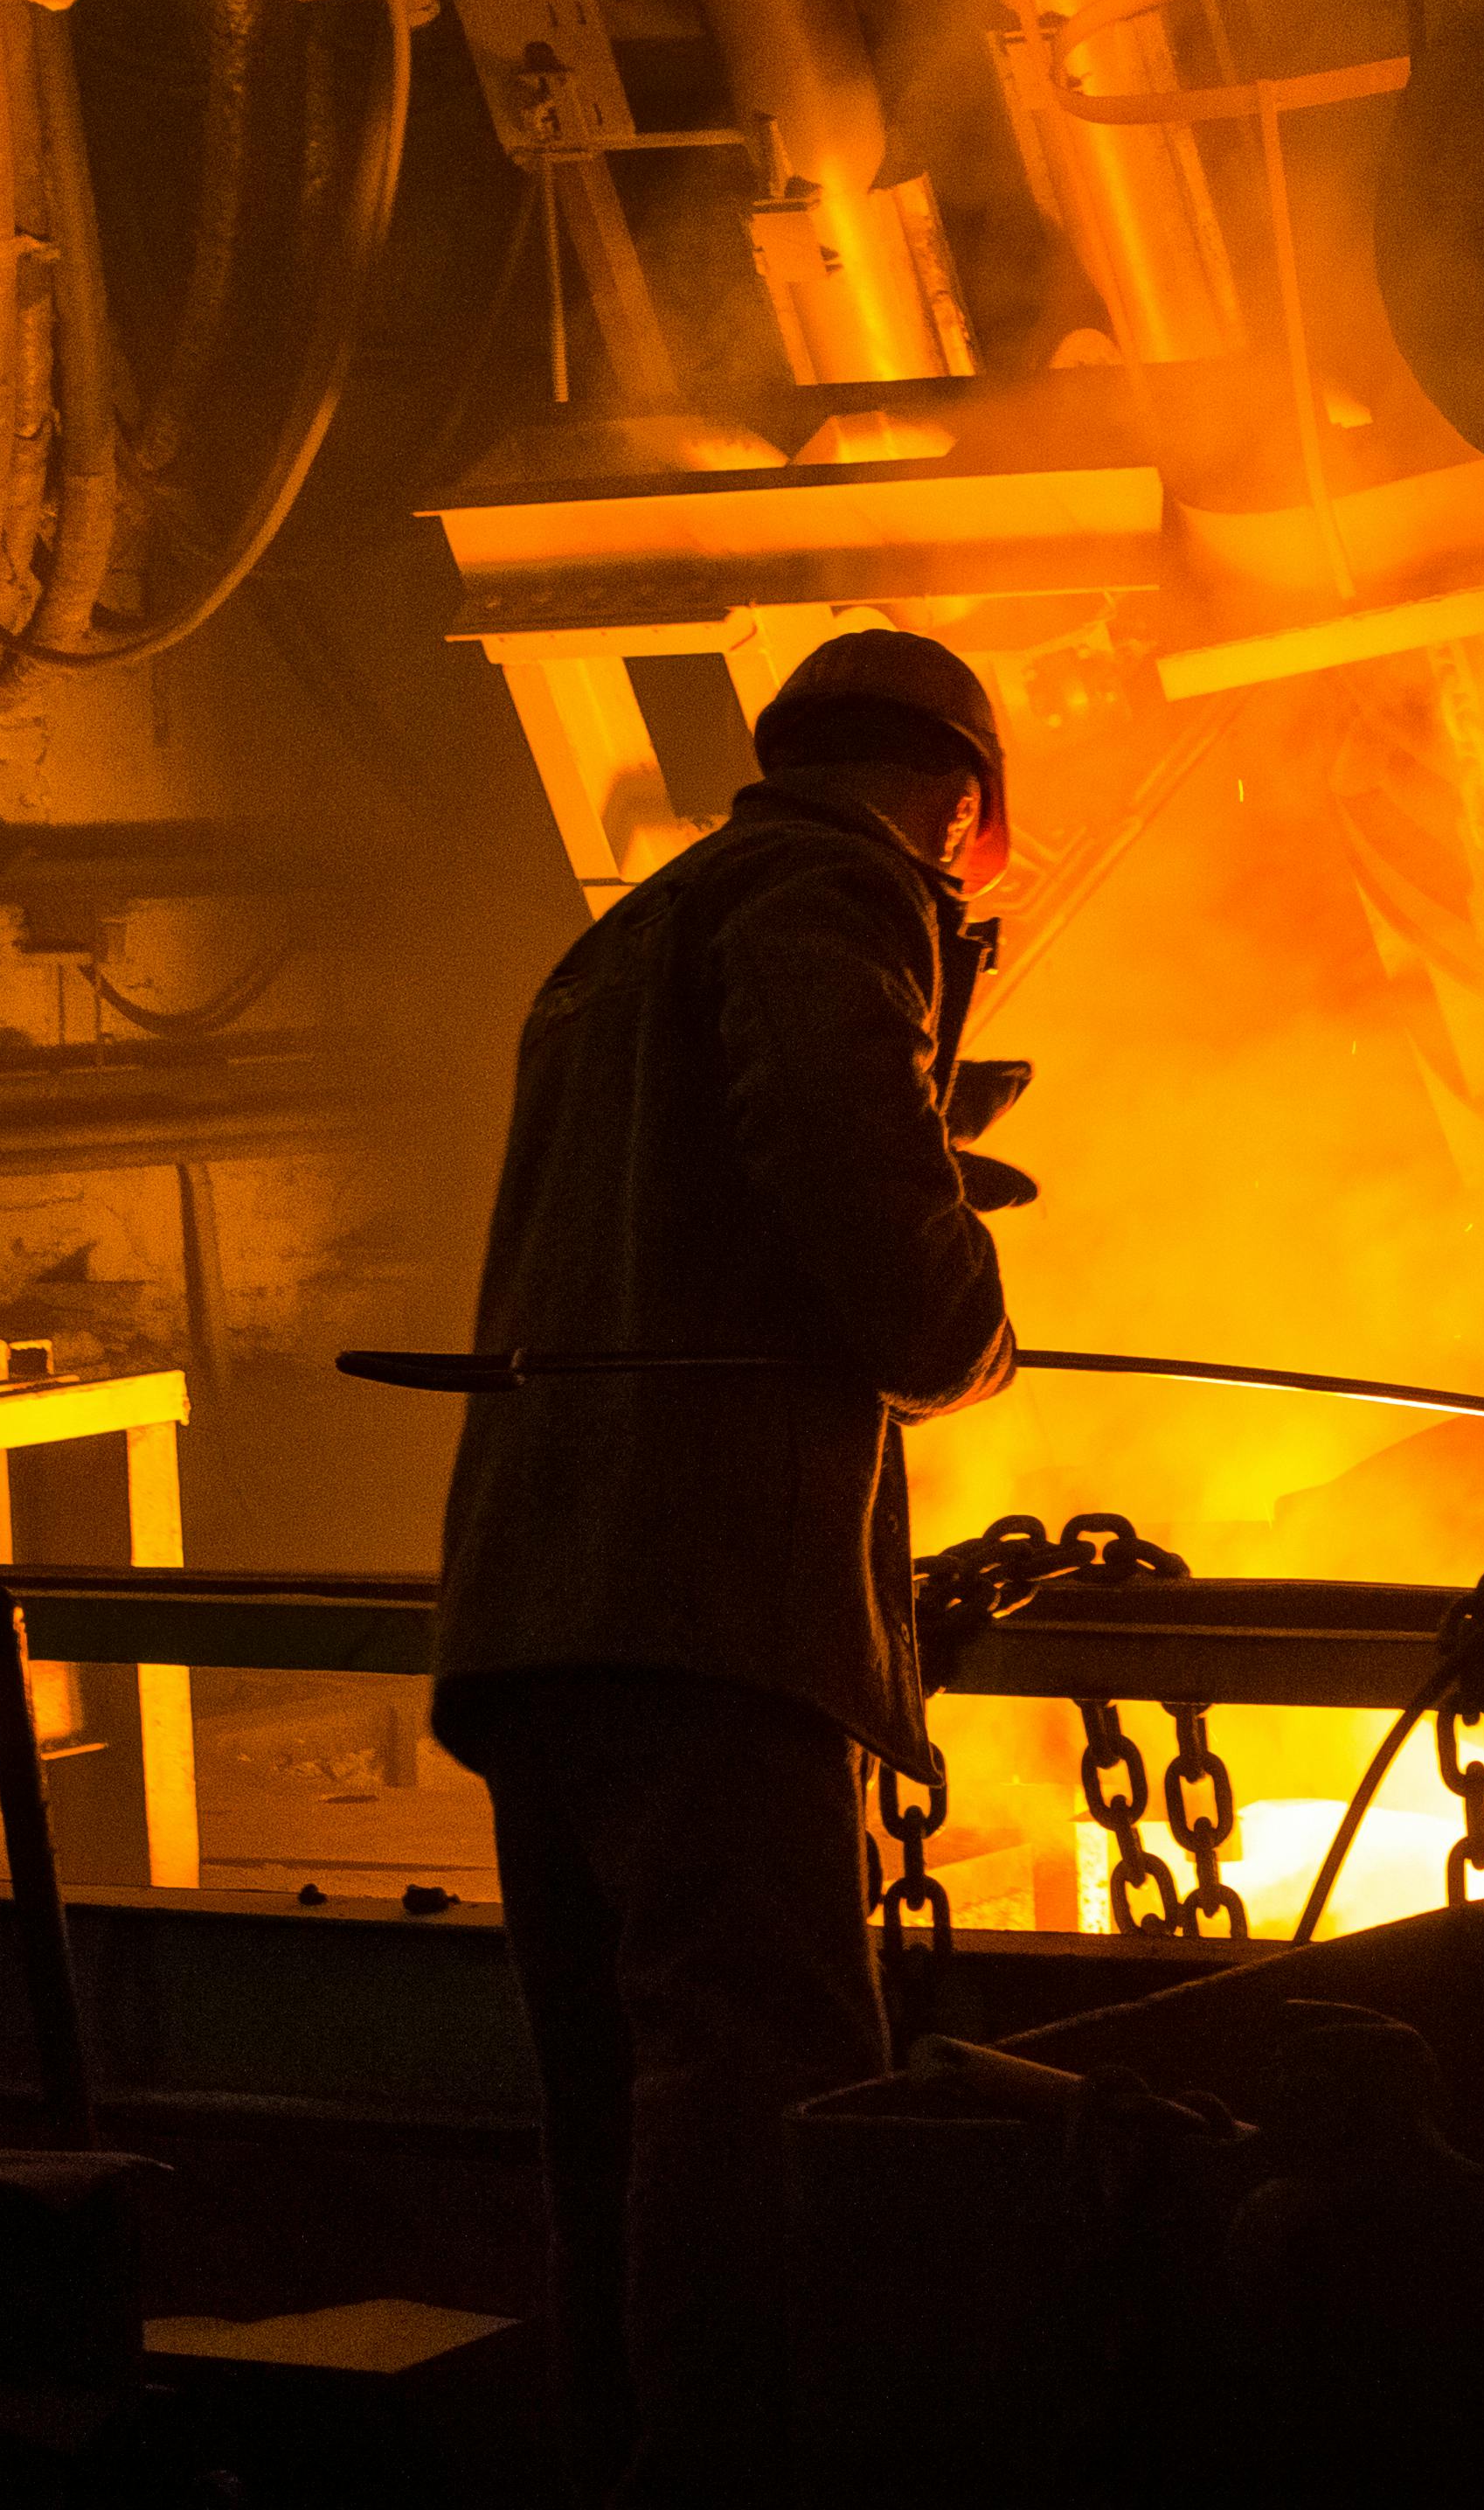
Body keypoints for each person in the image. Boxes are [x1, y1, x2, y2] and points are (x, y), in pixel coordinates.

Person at [428, 625, 1025, 2504]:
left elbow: (691, 1187)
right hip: (712, 1610)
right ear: (958, 810)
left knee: (614, 2111)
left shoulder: (625, 937)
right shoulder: (837, 886)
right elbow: (868, 1223)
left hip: (543, 1602)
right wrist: (961, 1304)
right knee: (756, 2089)